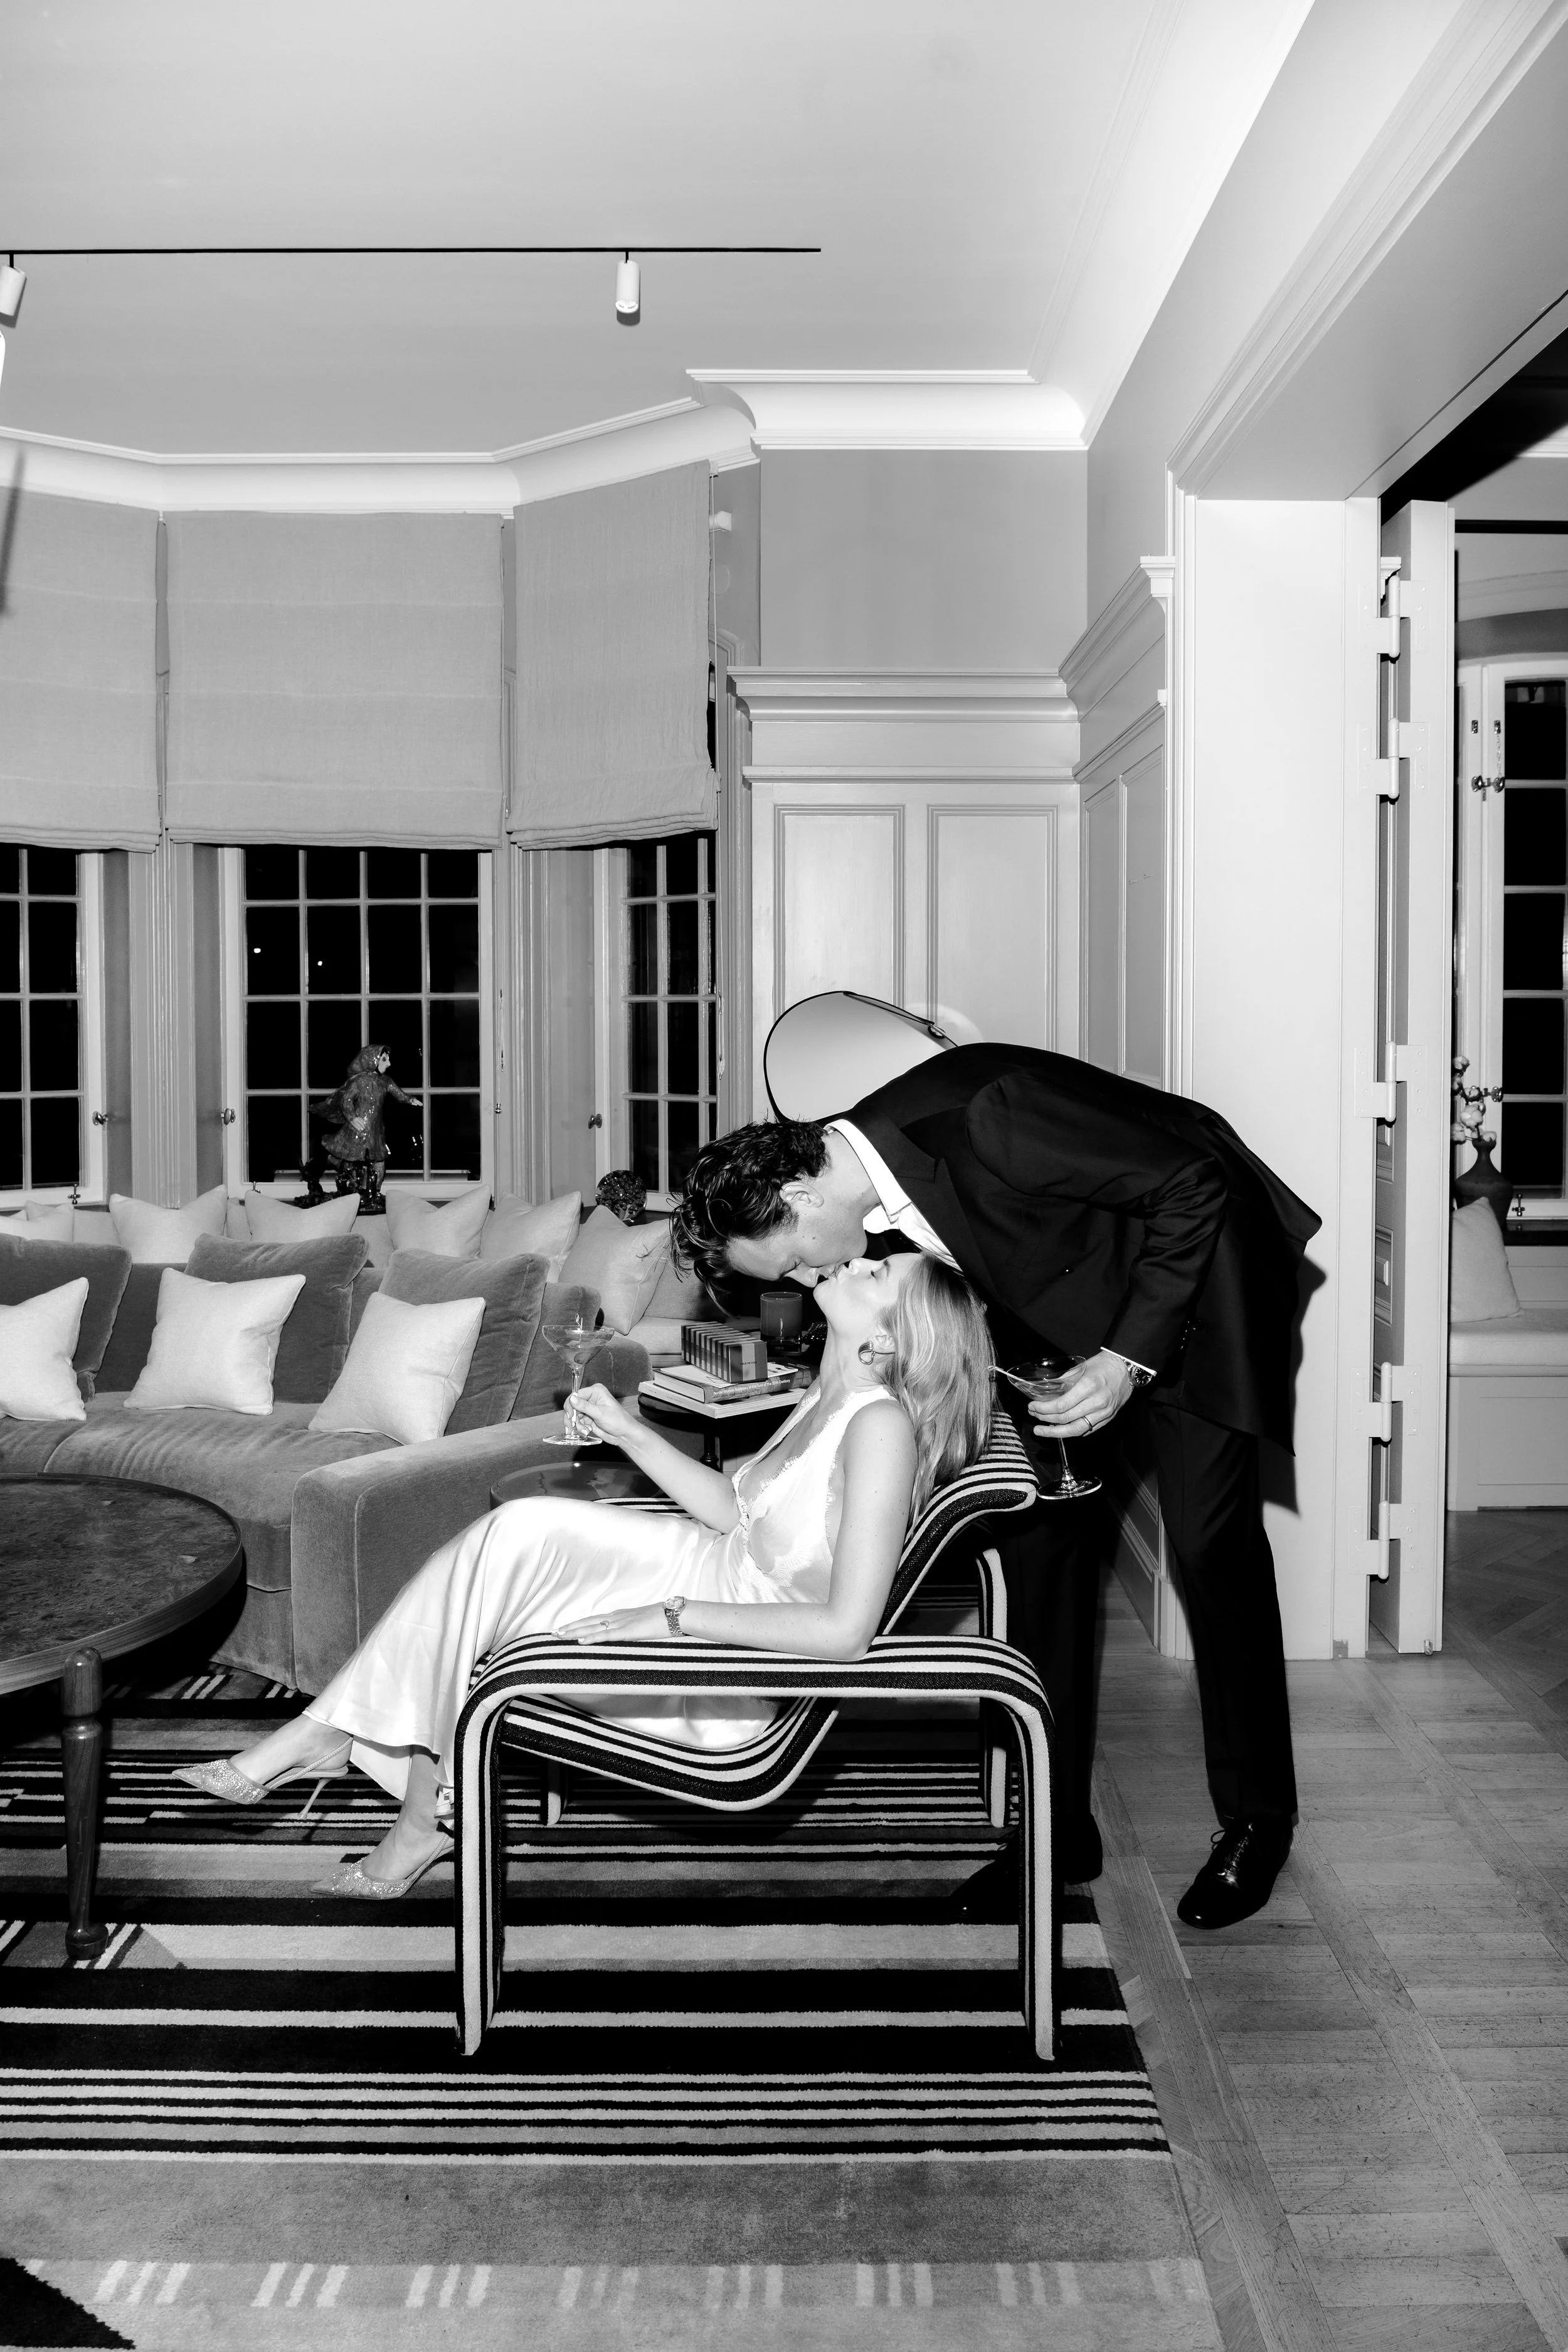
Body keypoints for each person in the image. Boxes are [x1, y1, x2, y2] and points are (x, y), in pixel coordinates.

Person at [671, 1043, 1322, 1932]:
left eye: (789, 1264)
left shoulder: (985, 1116)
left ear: (801, 1197)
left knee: (1213, 1550)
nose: (804, 1281)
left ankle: (1258, 1821)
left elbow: (1193, 1182)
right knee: (1038, 1549)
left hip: (1197, 1296)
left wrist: (1125, 1360)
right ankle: (1055, 1833)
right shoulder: (867, 1191)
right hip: (1069, 1329)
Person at [175, 1252, 993, 1897]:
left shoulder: (879, 1427)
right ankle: (362, 1757)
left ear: (889, 1338)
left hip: (730, 1664)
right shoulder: (828, 1397)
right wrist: (626, 1429)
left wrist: (669, 1617)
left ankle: (371, 1771)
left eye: (878, 1274)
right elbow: (733, 1513)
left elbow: (846, 1632)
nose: (856, 1261)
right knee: (513, 1535)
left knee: (491, 1599)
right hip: (704, 1570)